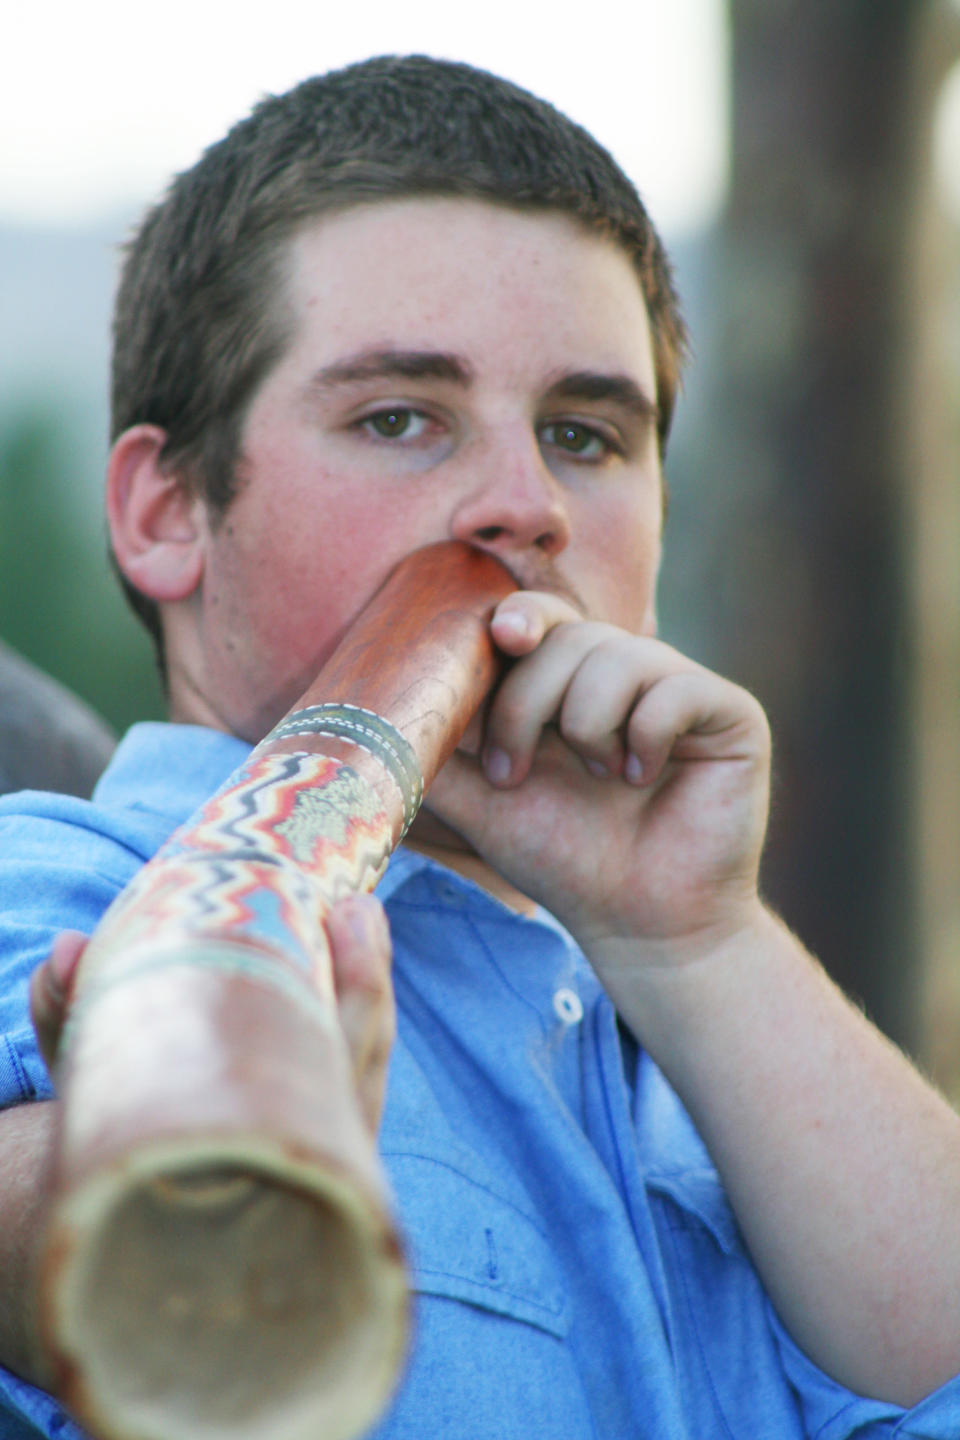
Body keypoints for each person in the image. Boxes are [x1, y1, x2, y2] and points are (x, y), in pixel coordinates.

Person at [1, 53, 959, 1440]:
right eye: (398, 418)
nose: (525, 505)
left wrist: (698, 944)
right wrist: (157, 1151)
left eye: (586, 434)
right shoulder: (61, 881)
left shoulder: (707, 1066)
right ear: (166, 513)